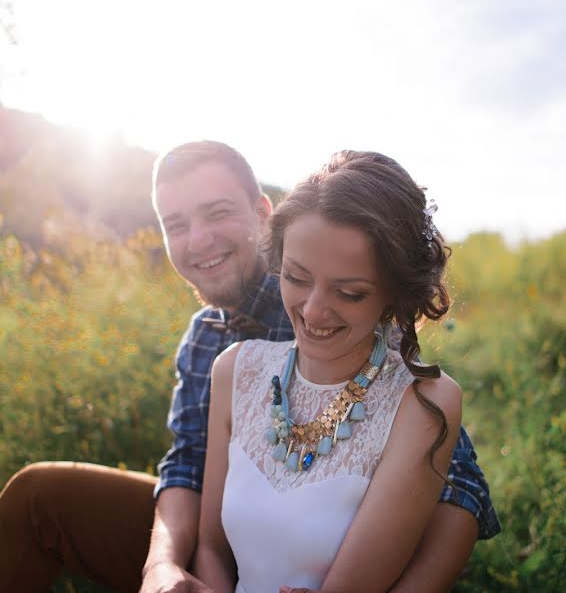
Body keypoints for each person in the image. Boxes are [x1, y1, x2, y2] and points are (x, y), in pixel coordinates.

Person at [0, 142, 499, 593]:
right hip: (234, 546)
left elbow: (461, 489)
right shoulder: (208, 343)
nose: (199, 241)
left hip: (336, 561)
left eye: (217, 214)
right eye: (176, 224)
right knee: (41, 494)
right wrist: (161, 564)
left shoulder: (355, 322)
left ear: (262, 216)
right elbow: (186, 462)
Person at [195, 149, 472, 593]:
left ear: (395, 294)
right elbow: (209, 549)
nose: (313, 310)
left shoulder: (424, 404)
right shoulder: (235, 370)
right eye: (297, 278)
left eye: (349, 292)